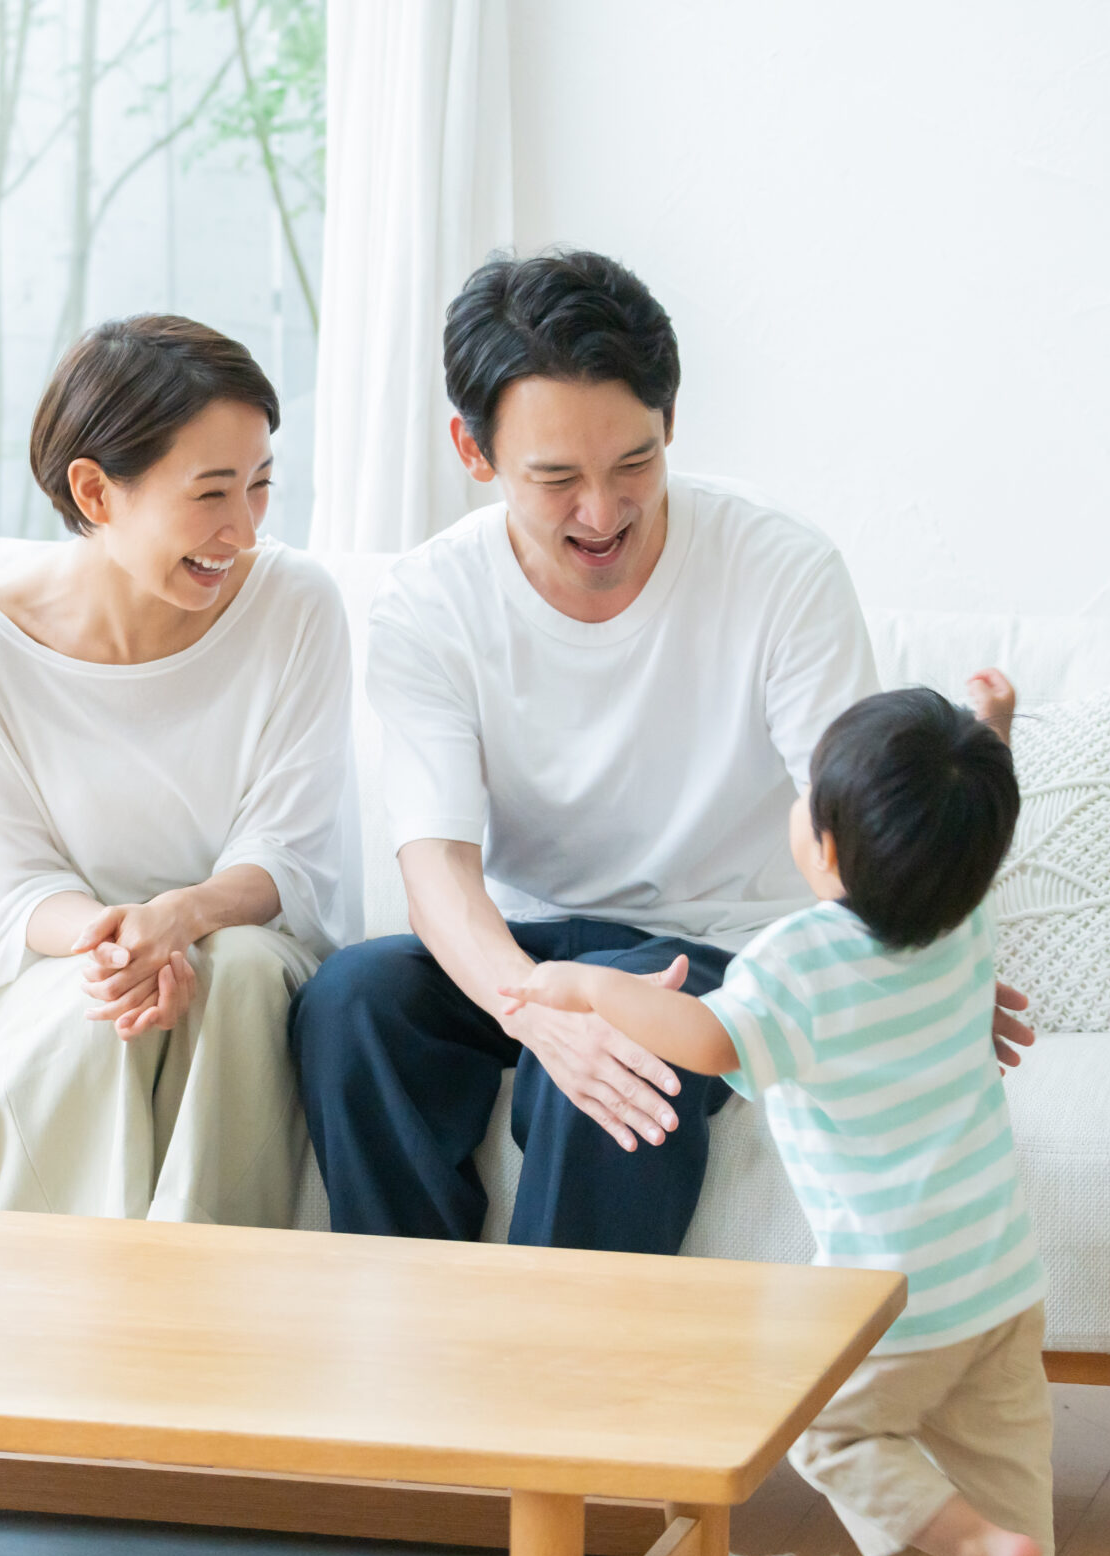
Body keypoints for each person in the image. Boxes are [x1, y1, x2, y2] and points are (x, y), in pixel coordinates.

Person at [289, 248, 1035, 1254]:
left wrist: (911, 972)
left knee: (628, 1027)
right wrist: (535, 1013)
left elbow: (862, 818)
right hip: (530, 939)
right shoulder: (430, 603)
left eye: (633, 464)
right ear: (474, 451)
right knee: (351, 1003)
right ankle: (418, 1331)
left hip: (716, 946)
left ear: (671, 421)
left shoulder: (780, 569)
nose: (602, 514)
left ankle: (566, 1357)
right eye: (556, 479)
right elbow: (438, 874)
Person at [504, 672, 1059, 1556]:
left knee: (828, 1435)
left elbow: (708, 1039)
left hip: (893, 1295)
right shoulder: (964, 912)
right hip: (1001, 1273)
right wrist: (994, 731)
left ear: (830, 849)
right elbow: (976, 827)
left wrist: (586, 984)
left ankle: (981, 1552)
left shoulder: (801, 960)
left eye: (809, 799)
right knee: (1008, 1449)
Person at [0, 315, 357, 1226]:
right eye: (211, 492)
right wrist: (119, 946)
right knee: (102, 1014)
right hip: (55, 958)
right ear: (96, 491)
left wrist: (180, 919)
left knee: (235, 974)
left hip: (239, 940)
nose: (243, 529)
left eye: (261, 485)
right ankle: (75, 1300)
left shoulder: (296, 604)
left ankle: (203, 1293)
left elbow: (290, 847)